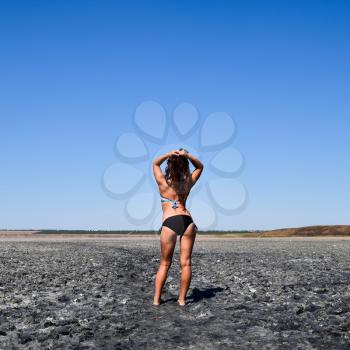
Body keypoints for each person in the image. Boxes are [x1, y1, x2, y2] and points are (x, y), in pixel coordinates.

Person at [152, 148, 204, 306]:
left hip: (170, 222)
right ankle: (182, 300)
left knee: (165, 263)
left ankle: (156, 300)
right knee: (186, 263)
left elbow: (155, 163)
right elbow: (200, 166)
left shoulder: (163, 182)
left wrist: (169, 154)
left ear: (170, 164)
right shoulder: (188, 182)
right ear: (185, 165)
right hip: (188, 221)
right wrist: (187, 155)